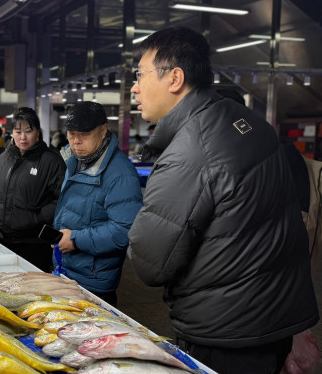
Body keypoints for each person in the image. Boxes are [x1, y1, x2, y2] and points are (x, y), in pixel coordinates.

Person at [127, 27, 318, 373]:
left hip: (227, 332)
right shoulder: (248, 121)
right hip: (275, 316)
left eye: (140, 75)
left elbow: (149, 262)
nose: (134, 87)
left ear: (175, 79)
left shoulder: (190, 150)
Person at [52, 102, 143, 306]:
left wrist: (75, 240)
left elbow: (125, 230)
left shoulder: (120, 174)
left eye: (84, 134)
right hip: (67, 272)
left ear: (103, 131)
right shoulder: (75, 161)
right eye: (71, 134)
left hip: (93, 282)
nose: (76, 141)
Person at [0, 107, 65, 271]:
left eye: (28, 131)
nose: (23, 137)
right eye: (18, 132)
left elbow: (60, 201)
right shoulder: (4, 158)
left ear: (37, 132)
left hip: (34, 245)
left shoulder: (51, 161)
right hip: (3, 240)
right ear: (12, 133)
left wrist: (36, 219)